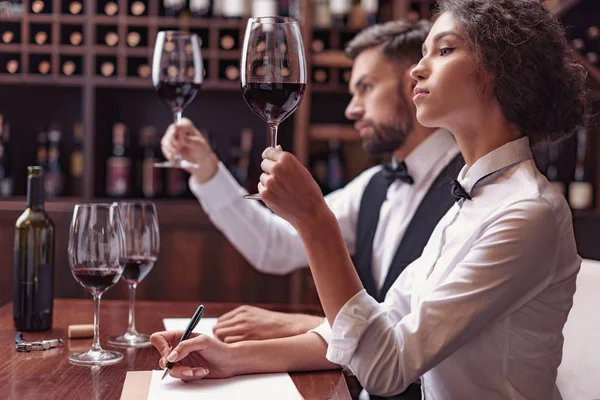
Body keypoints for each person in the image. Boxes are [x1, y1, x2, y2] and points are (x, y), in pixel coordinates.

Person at [151, 0, 588, 398]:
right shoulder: (473, 200)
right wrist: (228, 358)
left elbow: (386, 367)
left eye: (443, 50)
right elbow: (384, 322)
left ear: (500, 70)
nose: (417, 70)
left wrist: (314, 219)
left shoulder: (527, 213)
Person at [162, 20, 461, 349]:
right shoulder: (373, 186)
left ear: (414, 82)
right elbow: (274, 247)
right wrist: (207, 169)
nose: (352, 110)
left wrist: (302, 325)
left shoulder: (471, 187)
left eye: (366, 88)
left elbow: (430, 332)